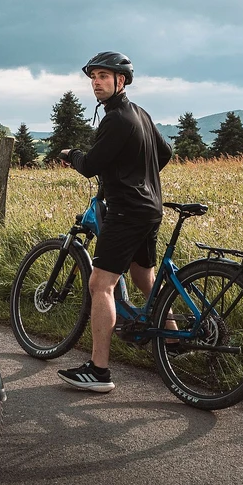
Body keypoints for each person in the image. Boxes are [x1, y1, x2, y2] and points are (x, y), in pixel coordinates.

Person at [56, 52, 172, 392]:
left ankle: (99, 370)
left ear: (121, 81)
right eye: (93, 77)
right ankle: (174, 337)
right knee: (142, 277)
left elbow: (91, 164)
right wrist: (136, 174)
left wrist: (69, 155)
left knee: (99, 284)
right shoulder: (140, 114)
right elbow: (165, 152)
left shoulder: (116, 118)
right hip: (150, 207)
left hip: (126, 211)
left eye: (104, 76)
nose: (96, 82)